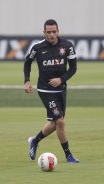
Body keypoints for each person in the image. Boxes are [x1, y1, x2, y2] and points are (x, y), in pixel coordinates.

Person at [23, 19, 79, 163]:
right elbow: (27, 62)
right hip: (45, 89)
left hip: (61, 89)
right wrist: (27, 80)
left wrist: (61, 79)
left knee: (55, 124)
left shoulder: (67, 46)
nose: (52, 35)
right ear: (44, 33)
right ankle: (69, 156)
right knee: (60, 121)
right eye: (49, 32)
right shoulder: (37, 47)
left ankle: (34, 141)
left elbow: (73, 69)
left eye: (54, 32)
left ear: (58, 31)